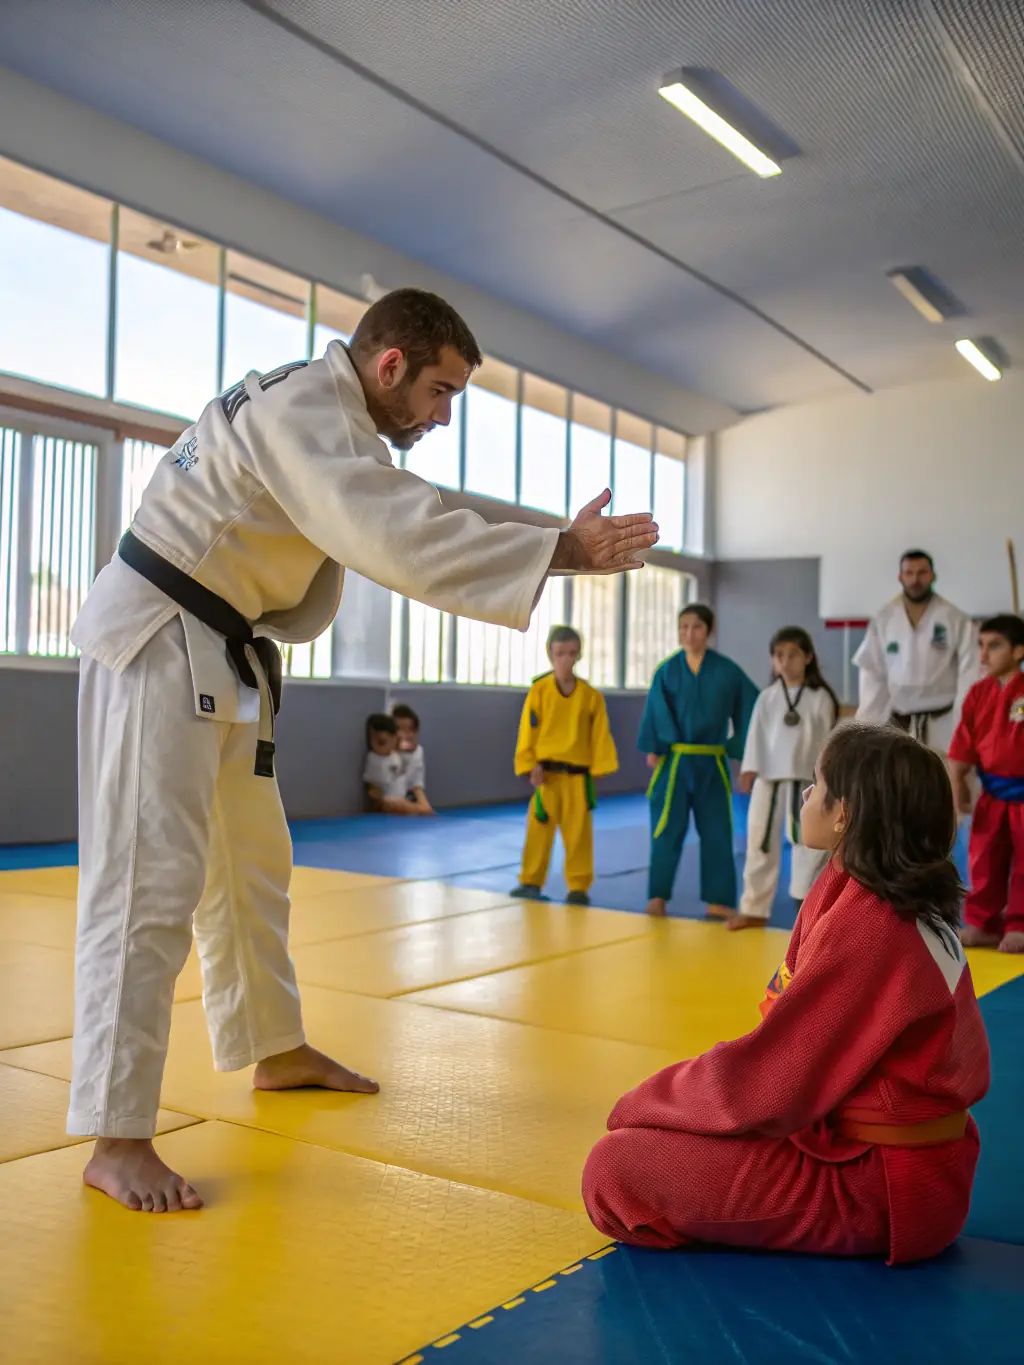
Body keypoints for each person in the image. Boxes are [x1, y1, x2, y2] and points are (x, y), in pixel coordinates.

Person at [68, 287, 658, 1213]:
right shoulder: (307, 408)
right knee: (148, 884)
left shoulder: (336, 423)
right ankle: (116, 1134)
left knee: (252, 868)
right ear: (390, 364)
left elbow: (404, 508)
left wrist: (551, 548)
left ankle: (274, 1046)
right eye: (440, 390)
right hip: (155, 642)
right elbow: (397, 530)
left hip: (214, 649)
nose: (443, 413)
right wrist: (563, 553)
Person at [583, 722, 990, 1266]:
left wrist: (646, 1102)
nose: (806, 797)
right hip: (887, 1158)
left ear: (845, 814)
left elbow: (769, 1084)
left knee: (614, 1170)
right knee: (653, 1137)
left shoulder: (874, 925)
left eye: (817, 786)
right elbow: (782, 1045)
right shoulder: (857, 887)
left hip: (885, 1186)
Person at [640, 603, 758, 918]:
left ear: (709, 630)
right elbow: (655, 710)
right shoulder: (667, 670)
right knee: (666, 829)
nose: (689, 634)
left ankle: (719, 901)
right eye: (683, 627)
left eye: (696, 627)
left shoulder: (727, 671)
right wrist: (656, 745)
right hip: (675, 762)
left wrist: (740, 750)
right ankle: (658, 896)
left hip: (711, 762)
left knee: (717, 830)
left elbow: (752, 707)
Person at [728, 627, 839, 930]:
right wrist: (749, 769)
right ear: (773, 660)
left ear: (808, 658)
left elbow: (827, 741)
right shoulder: (767, 697)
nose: (786, 661)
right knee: (759, 841)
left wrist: (828, 781)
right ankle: (753, 908)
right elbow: (756, 736)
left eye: (793, 654)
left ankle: (809, 905)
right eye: (779, 655)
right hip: (769, 780)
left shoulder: (821, 698)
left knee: (810, 844)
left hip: (808, 783)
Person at [511, 626, 618, 906]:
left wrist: (599, 768)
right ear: (550, 654)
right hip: (546, 776)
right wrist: (529, 763)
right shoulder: (539, 691)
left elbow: (599, 735)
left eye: (571, 653)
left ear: (579, 654)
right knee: (538, 830)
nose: (565, 660)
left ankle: (578, 887)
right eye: (560, 654)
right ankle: (530, 881)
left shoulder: (591, 696)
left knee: (579, 834)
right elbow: (528, 731)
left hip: (577, 777)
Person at [948, 614, 1024, 953]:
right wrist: (958, 781)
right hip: (991, 793)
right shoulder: (978, 693)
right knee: (983, 859)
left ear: (1019, 650)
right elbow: (964, 743)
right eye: (981, 645)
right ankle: (983, 922)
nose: (983, 655)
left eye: (994, 646)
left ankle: (1019, 923)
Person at [854, 549, 978, 754]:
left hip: (943, 721)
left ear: (933, 576)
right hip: (898, 720)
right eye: (909, 573)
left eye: (922, 573)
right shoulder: (884, 619)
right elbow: (872, 673)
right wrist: (867, 724)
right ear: (900, 577)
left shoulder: (955, 618)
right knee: (899, 780)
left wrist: (965, 720)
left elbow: (970, 671)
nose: (915, 580)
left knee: (943, 777)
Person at [363, 713, 432, 815]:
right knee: (395, 804)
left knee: (407, 804)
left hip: (401, 797)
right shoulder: (374, 758)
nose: (403, 735)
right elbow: (372, 786)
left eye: (410, 730)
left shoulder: (402, 755)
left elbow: (415, 784)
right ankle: (417, 810)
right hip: (386, 800)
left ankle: (418, 810)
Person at [390, 702, 433, 814]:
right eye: (401, 730)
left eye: (411, 730)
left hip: (407, 796)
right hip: (389, 797)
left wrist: (425, 806)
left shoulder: (418, 751)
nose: (406, 735)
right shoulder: (388, 753)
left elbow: (416, 785)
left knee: (423, 809)